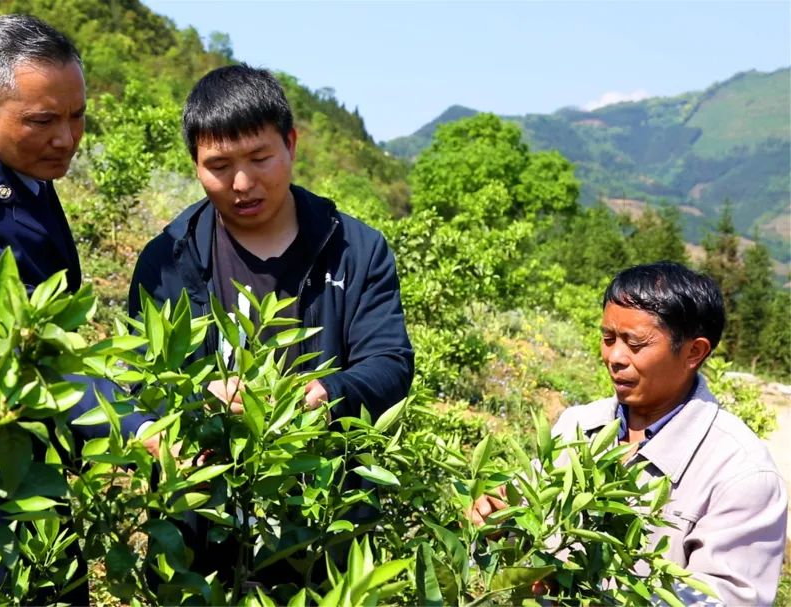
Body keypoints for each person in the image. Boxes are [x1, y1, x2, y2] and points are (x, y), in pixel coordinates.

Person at [128, 64, 414, 585]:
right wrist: (196, 398)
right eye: (219, 166)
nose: (242, 183)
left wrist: (326, 392)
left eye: (260, 158)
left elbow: (390, 365)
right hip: (201, 537)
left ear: (291, 145)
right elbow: (140, 382)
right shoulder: (169, 259)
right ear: (195, 164)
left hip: (325, 532)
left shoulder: (356, 250)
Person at [0, 14, 151, 603]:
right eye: (44, 121)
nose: (67, 139)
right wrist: (140, 428)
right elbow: (25, 356)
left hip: (34, 441)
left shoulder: (23, 174)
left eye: (76, 116)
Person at [469, 262, 787, 605]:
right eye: (608, 339)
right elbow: (523, 523)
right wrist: (496, 518)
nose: (614, 357)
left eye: (635, 343)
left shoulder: (742, 474)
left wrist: (584, 592)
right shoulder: (578, 425)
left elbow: (727, 599)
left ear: (694, 352)